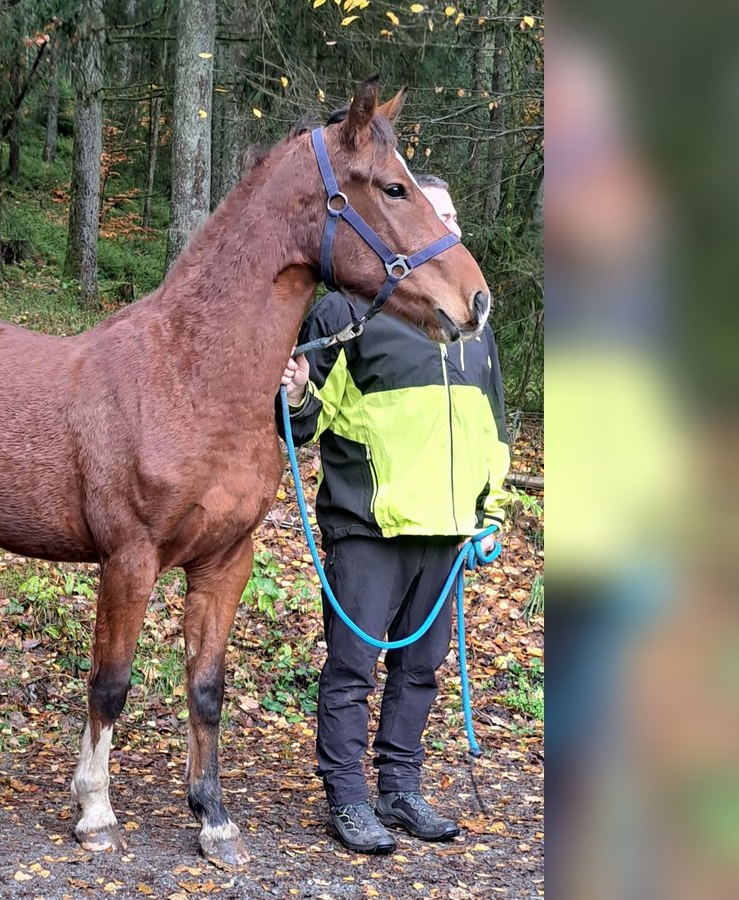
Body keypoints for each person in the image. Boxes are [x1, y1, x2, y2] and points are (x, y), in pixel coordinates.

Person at [277, 172, 510, 854]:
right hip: (369, 525)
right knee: (353, 668)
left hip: (447, 532)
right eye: (439, 214)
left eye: (455, 216)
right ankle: (348, 799)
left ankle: (400, 789)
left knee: (420, 669)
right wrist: (293, 396)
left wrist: (488, 515)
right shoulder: (346, 314)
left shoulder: (471, 326)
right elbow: (305, 424)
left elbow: (492, 429)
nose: (452, 228)